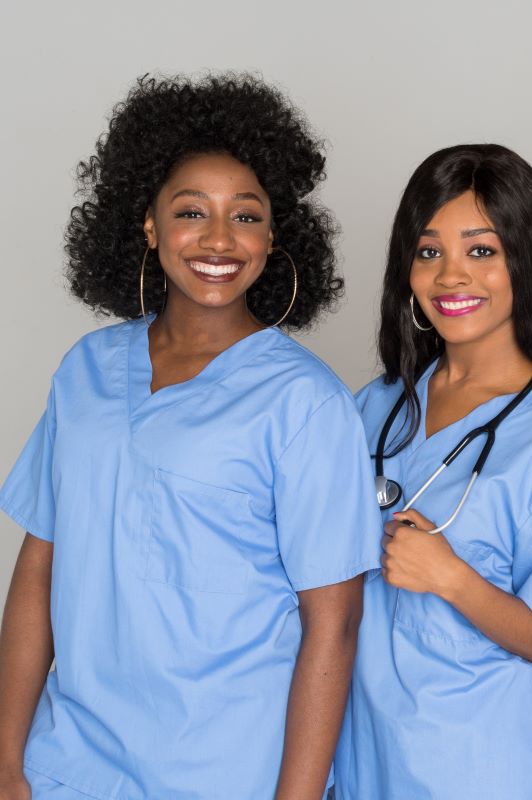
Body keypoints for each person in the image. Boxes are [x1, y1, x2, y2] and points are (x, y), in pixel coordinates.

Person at [0, 75, 379, 800]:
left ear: (274, 236)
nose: (217, 239)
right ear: (148, 225)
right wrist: (9, 761)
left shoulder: (305, 403)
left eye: (245, 215)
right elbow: (39, 572)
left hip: (224, 774)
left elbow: (332, 626)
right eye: (190, 212)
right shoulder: (87, 372)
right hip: (67, 767)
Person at [333, 144, 532, 799]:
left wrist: (453, 580)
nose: (451, 276)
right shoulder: (373, 408)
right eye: (429, 252)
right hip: (365, 760)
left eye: (482, 251)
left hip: (483, 765)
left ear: (527, 261)